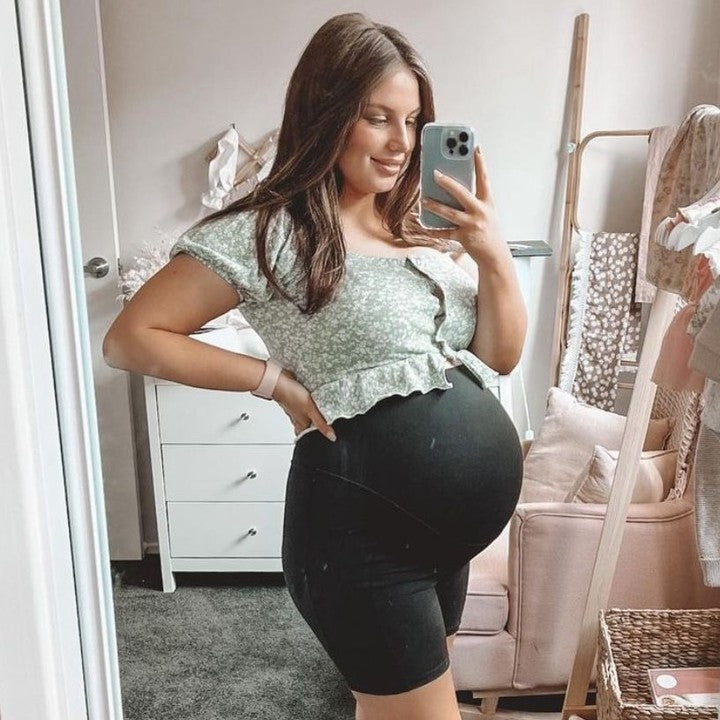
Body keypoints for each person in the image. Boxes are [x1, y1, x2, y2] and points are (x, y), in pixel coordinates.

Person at [103, 11, 527, 720]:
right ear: (327, 114)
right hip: (361, 538)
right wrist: (270, 382)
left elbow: (498, 357)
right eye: (377, 119)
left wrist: (492, 252)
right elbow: (131, 337)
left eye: (412, 122)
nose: (401, 144)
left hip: (440, 543)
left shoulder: (414, 229)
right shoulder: (267, 231)